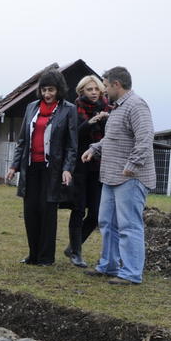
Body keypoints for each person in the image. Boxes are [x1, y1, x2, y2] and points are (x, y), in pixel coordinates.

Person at [81, 66, 156, 285]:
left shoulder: (137, 105)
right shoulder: (117, 108)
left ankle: (131, 273)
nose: (103, 90)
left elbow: (145, 137)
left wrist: (133, 165)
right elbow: (113, 138)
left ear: (116, 84)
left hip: (130, 178)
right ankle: (109, 265)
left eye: (105, 84)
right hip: (111, 176)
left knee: (129, 226)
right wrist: (94, 148)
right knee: (107, 222)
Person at [5, 69, 78, 266]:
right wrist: (14, 166)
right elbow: (22, 141)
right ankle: (33, 254)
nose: (47, 94)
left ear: (59, 90)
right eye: (44, 90)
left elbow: (72, 144)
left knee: (47, 211)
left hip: (52, 170)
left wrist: (67, 168)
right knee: (31, 211)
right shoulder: (31, 108)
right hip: (31, 168)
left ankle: (46, 257)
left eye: (51, 90)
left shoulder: (68, 109)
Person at [63, 75, 113, 267]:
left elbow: (110, 136)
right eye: (89, 89)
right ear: (81, 91)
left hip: (99, 167)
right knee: (78, 209)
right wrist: (91, 121)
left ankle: (72, 247)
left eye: (96, 89)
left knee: (95, 213)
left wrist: (104, 120)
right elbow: (74, 135)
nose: (93, 93)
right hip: (79, 166)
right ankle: (76, 253)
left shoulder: (109, 109)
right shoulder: (74, 109)